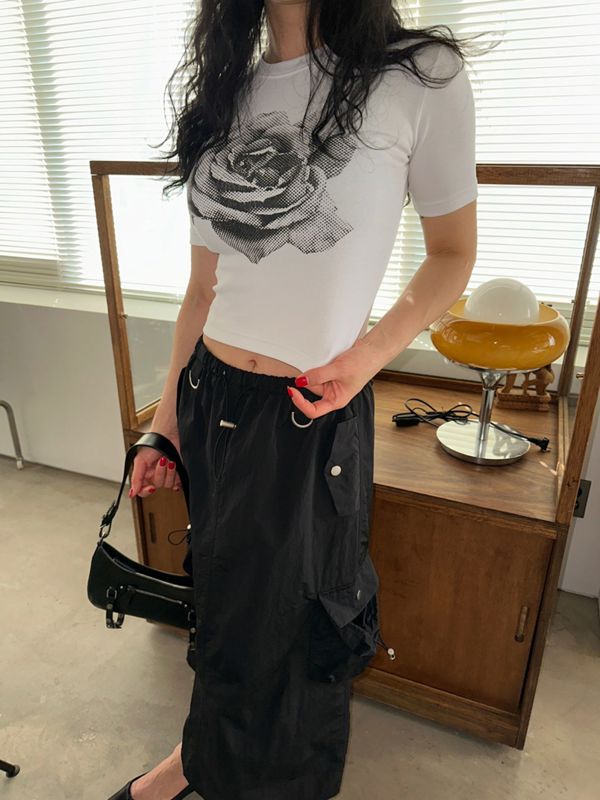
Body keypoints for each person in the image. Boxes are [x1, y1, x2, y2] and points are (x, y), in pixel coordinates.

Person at [108, 1, 484, 798]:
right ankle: (195, 761)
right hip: (211, 397)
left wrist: (367, 359)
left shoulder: (418, 75)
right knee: (225, 600)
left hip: (308, 409)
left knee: (302, 622)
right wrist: (164, 427)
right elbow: (202, 291)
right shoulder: (228, 91)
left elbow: (452, 254)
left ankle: (242, 780)